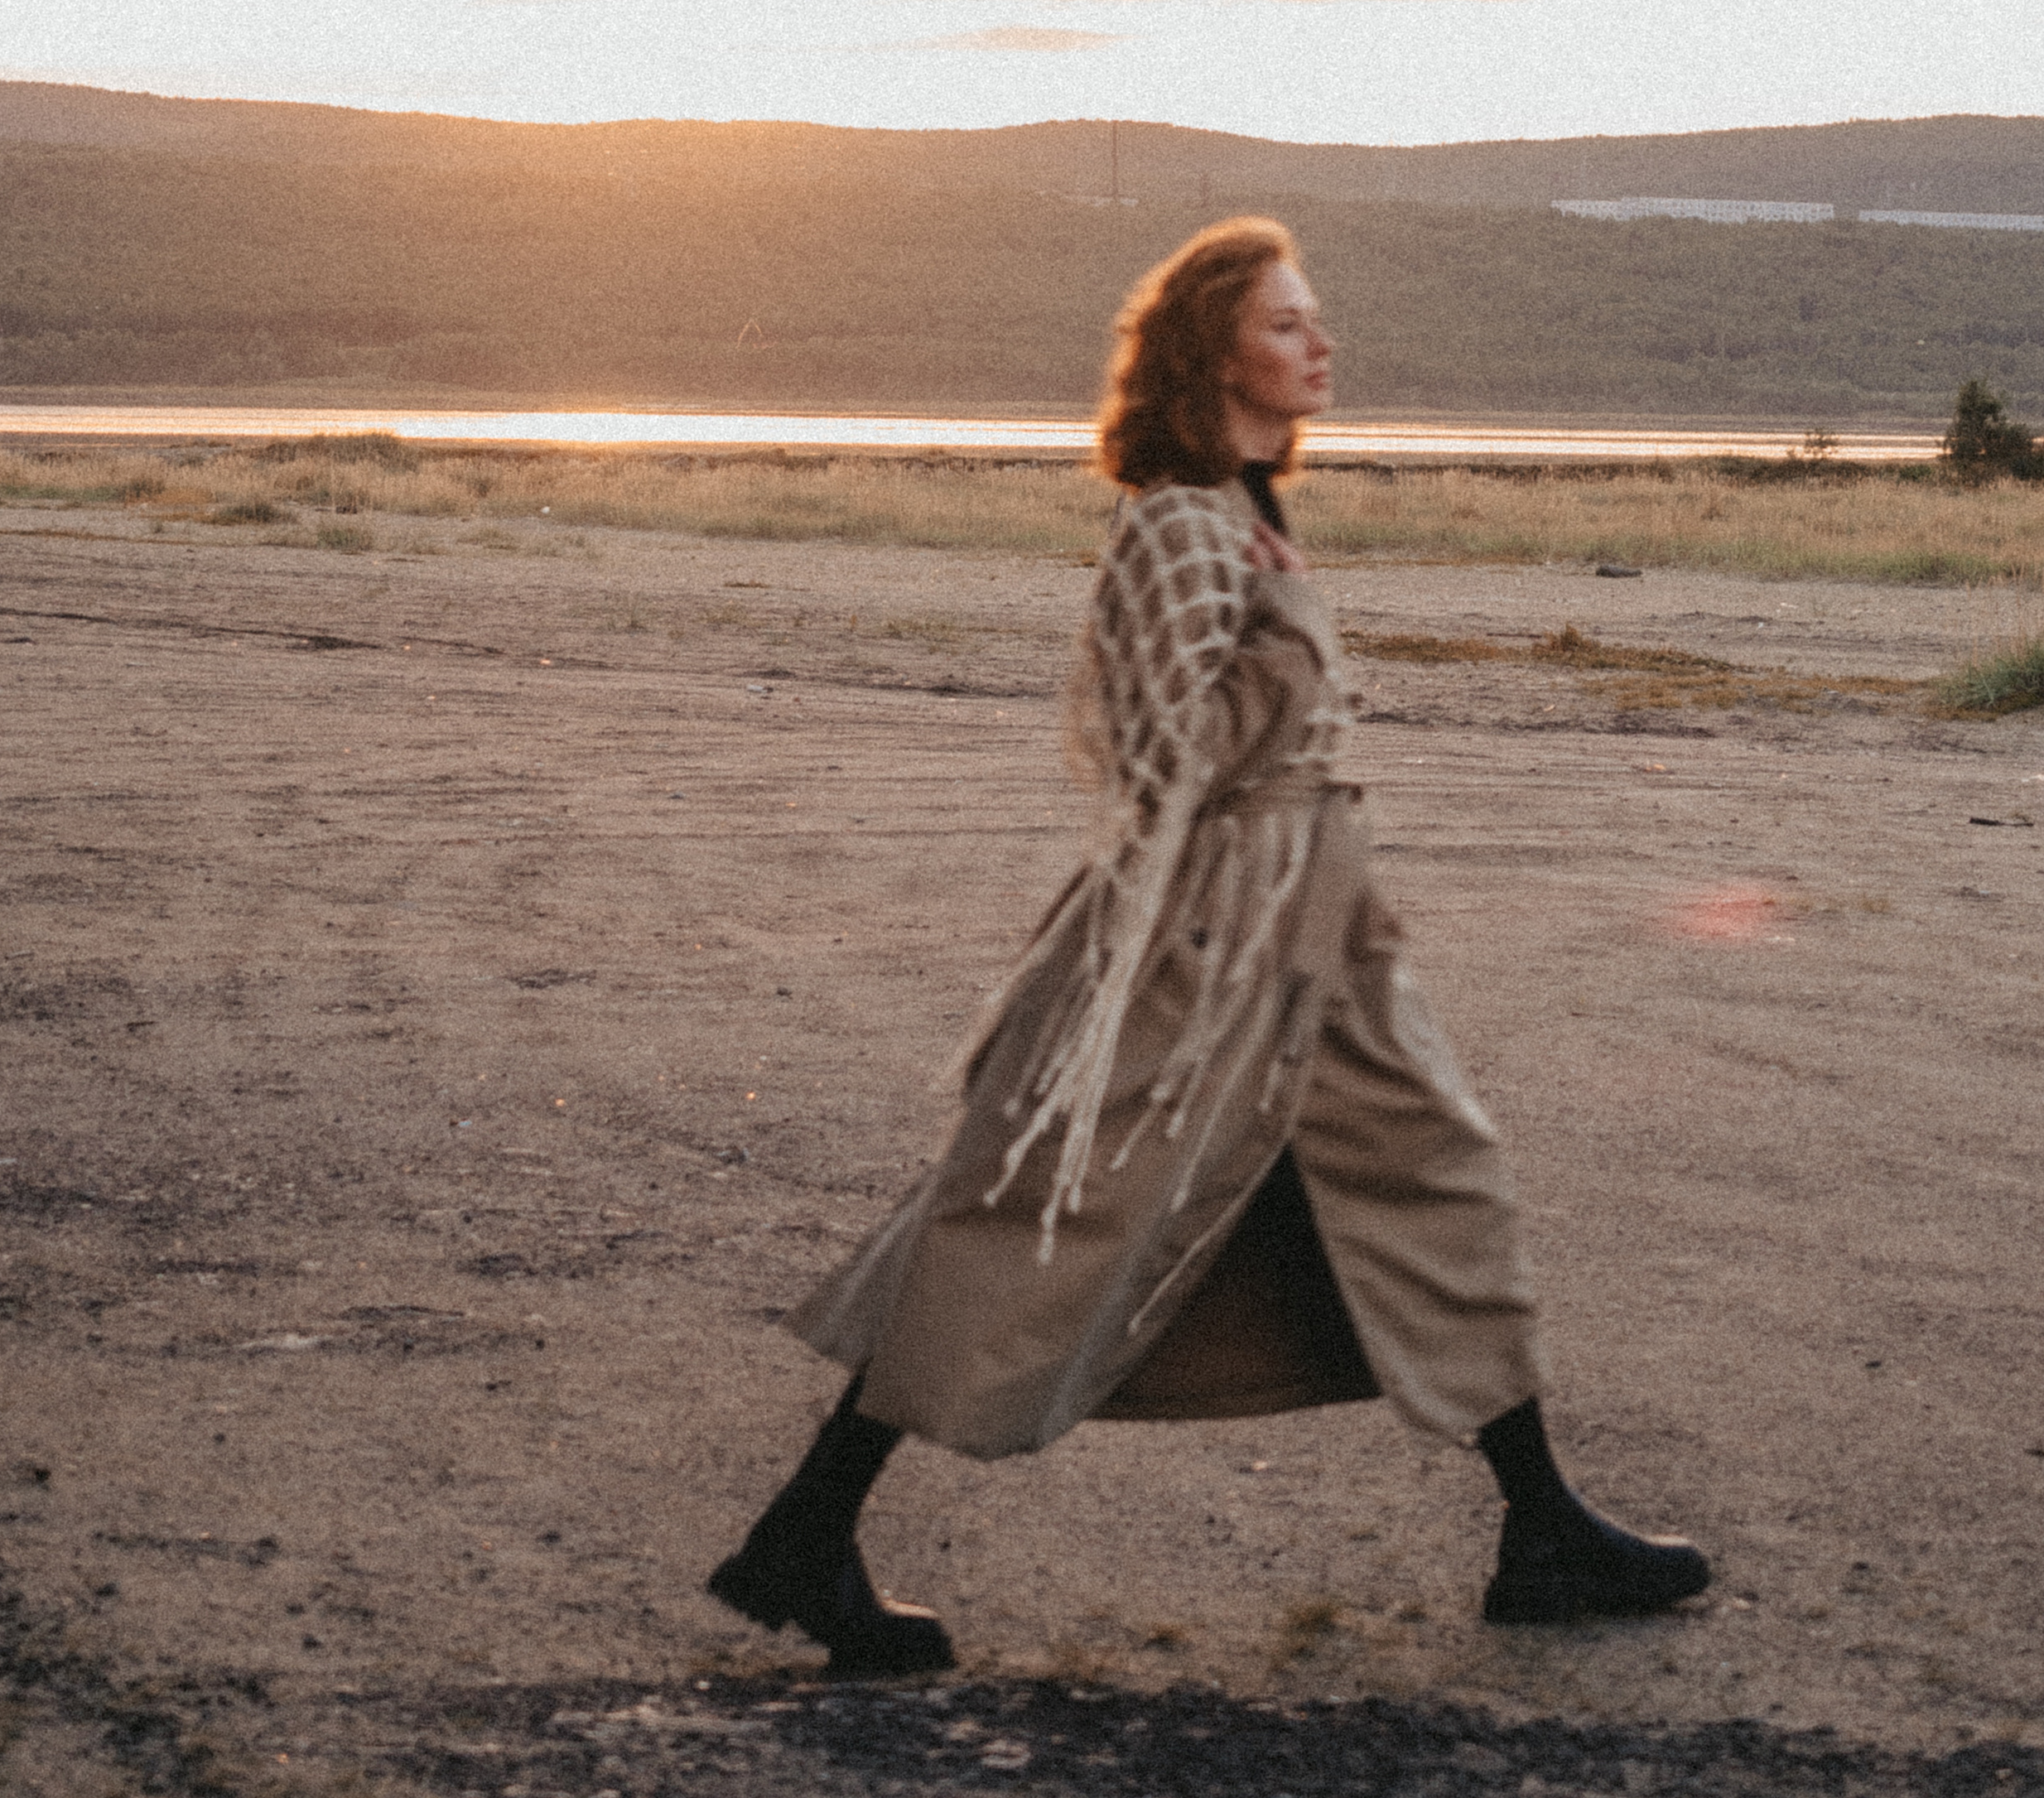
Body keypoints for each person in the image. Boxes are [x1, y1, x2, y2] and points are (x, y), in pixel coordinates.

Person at [709, 218, 1709, 1673]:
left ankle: (1543, 1527)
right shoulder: (1183, 518)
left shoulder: (1244, 504)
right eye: (1291, 323)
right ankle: (806, 1528)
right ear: (1214, 353)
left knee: (1443, 1182)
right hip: (1208, 938)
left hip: (1314, 936)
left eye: (1317, 322)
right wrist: (1288, 669)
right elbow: (1162, 749)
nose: (1323, 343)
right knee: (1033, 1220)